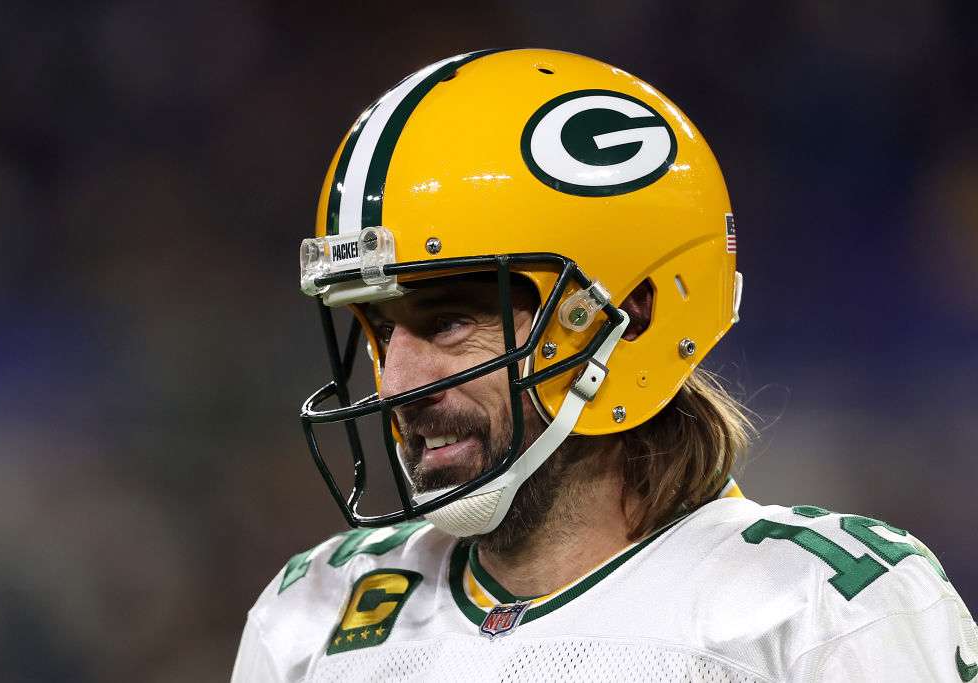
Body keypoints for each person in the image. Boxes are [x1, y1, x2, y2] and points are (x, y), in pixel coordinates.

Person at [231, 49, 977, 682]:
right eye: (382, 329)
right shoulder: (312, 613)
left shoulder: (823, 607)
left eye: (449, 321)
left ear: (634, 314)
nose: (397, 383)